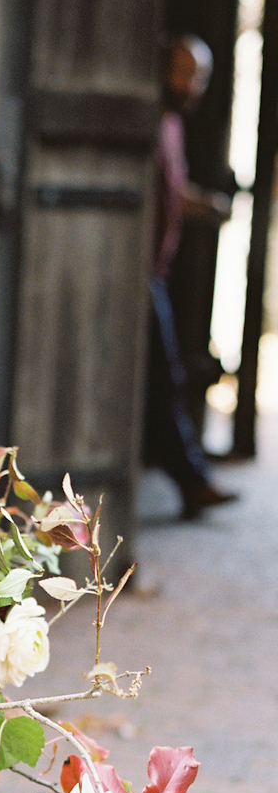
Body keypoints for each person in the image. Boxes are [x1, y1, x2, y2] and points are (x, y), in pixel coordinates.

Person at [144, 35, 238, 518]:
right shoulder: (147, 124)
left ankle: (190, 479)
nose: (192, 85)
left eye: (199, 76)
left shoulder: (171, 125)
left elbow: (172, 192)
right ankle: (192, 480)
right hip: (137, 276)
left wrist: (205, 203)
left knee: (163, 379)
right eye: (185, 72)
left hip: (154, 271)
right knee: (166, 379)